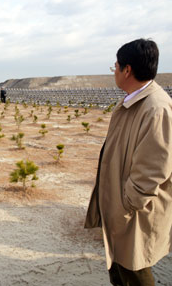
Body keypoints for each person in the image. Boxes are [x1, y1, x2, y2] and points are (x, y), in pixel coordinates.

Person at [85, 39, 172, 286]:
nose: (113, 70)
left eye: (115, 65)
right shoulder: (132, 101)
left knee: (135, 269)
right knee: (121, 267)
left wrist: (127, 205)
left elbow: (153, 169)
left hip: (133, 212)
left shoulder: (156, 108)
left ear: (127, 70)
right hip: (121, 208)